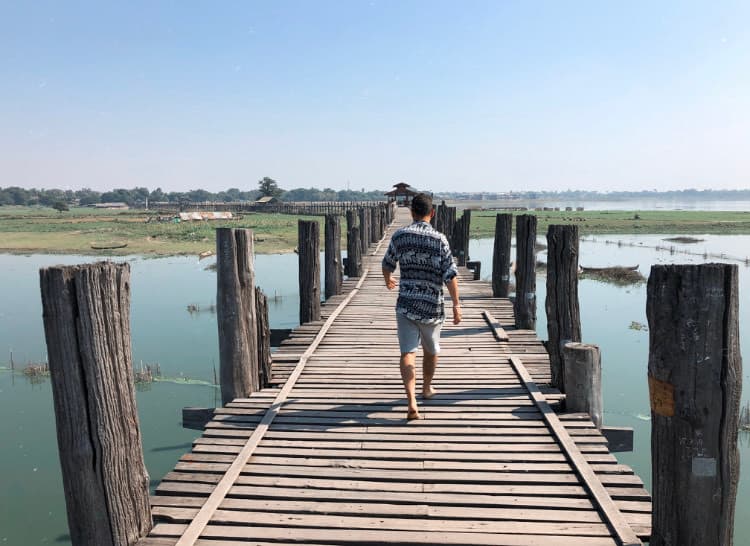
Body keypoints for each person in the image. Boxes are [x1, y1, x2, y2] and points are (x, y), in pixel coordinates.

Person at [382, 193, 461, 420]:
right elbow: (450, 275)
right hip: (432, 306)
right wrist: (456, 304)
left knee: (407, 352)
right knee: (431, 350)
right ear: (432, 213)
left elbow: (387, 264)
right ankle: (426, 388)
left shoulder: (400, 236)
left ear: (411, 212)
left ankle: (411, 400)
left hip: (406, 303)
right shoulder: (440, 240)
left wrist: (388, 280)